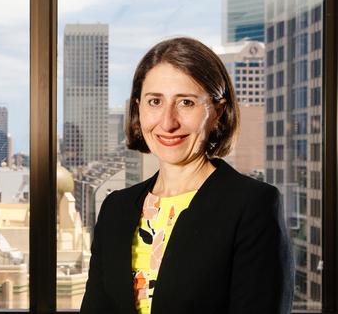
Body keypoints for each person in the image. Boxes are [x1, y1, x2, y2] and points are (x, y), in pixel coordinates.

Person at [80, 37, 293, 314]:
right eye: (155, 101)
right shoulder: (115, 208)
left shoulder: (253, 206)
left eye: (186, 103)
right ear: (138, 108)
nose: (168, 122)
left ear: (217, 111)